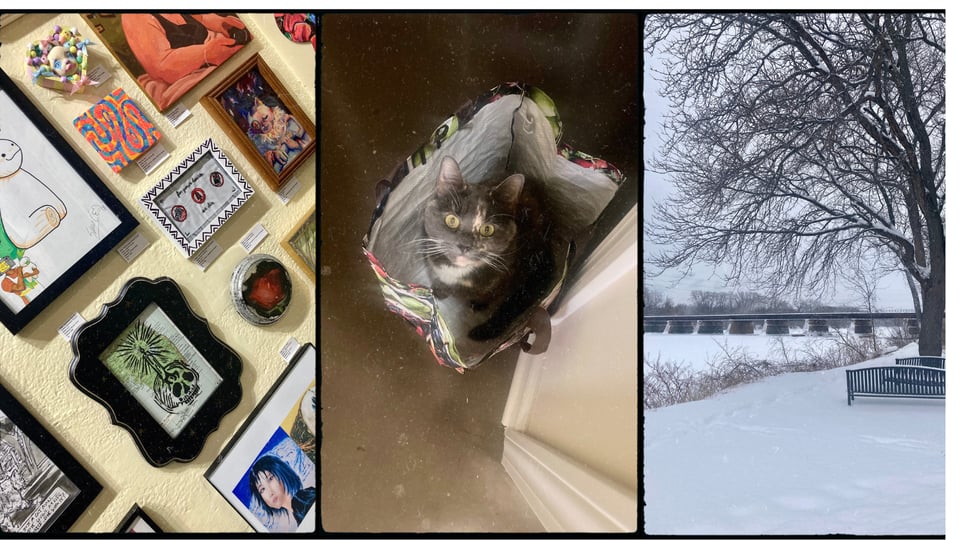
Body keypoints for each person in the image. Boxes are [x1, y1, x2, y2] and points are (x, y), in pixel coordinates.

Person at [120, 14, 250, 110]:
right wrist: (206, 54)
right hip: (182, 76)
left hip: (211, 52)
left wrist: (221, 24)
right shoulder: (134, 16)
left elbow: (202, 17)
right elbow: (161, 66)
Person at [247, 454, 315, 531]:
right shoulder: (298, 510)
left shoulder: (306, 502)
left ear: (281, 471)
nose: (270, 492)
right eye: (262, 489)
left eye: (270, 478)